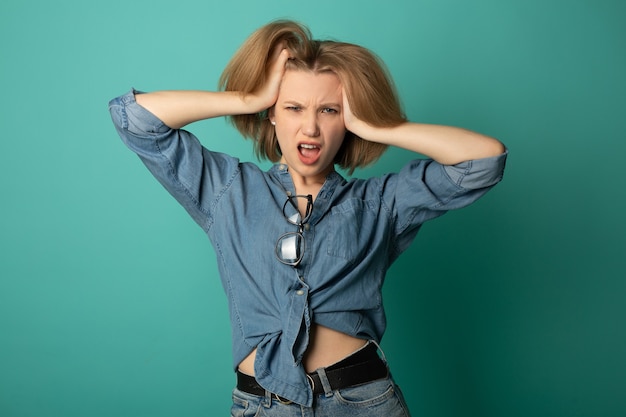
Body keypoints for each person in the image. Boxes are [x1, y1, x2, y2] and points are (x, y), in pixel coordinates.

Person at [109, 19, 507, 417]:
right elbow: (135, 118)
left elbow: (484, 161)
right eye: (293, 107)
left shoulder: (381, 202)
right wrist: (248, 99)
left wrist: (375, 126)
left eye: (329, 110)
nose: (311, 127)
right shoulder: (227, 191)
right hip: (262, 405)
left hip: (362, 401)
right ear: (273, 115)